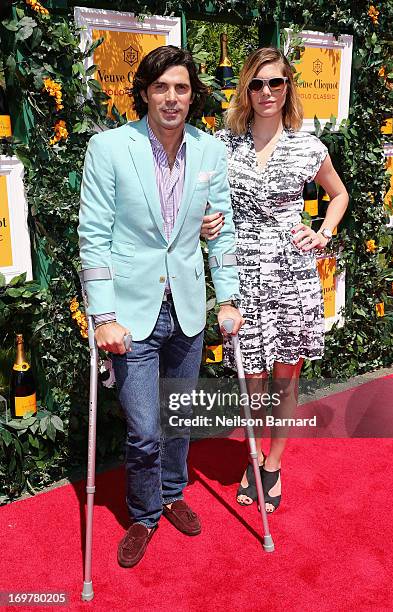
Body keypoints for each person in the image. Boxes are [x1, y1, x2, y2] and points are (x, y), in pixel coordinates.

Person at [78, 45, 243, 568]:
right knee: (145, 426)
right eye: (161, 87)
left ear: (193, 95)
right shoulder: (108, 149)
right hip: (131, 314)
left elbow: (221, 231)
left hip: (189, 307)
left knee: (178, 416)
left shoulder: (209, 152)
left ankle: (173, 492)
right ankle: (144, 512)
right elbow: (93, 237)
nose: (172, 98)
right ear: (145, 93)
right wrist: (102, 317)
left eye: (182, 87)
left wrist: (230, 296)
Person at [201, 47, 348, 512]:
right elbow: (205, 202)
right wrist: (205, 223)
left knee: (286, 377)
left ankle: (272, 463)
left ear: (288, 89)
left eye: (276, 83)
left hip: (291, 271)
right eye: (258, 83)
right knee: (253, 379)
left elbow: (339, 193)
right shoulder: (224, 144)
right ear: (247, 89)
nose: (267, 92)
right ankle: (252, 452)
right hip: (243, 271)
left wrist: (323, 231)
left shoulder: (308, 146)